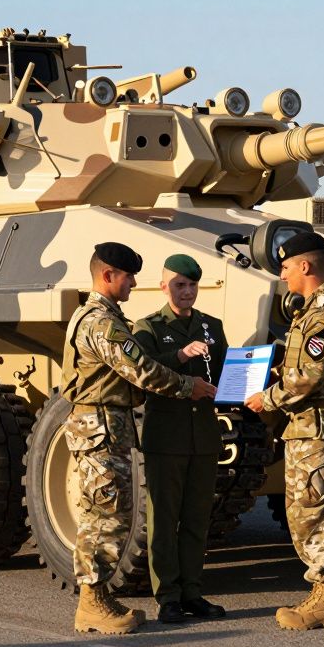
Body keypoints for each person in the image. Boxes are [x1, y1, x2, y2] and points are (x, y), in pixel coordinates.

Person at [63, 242, 217, 635]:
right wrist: (187, 385)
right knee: (104, 516)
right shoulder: (102, 323)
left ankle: (97, 598)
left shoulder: (106, 317)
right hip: (100, 426)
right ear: (108, 276)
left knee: (108, 513)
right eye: (128, 276)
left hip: (108, 425)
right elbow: (143, 371)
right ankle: (92, 602)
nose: (133, 283)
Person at [245, 232, 324, 631]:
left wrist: (268, 398)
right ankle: (321, 594)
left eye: (287, 267)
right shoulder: (312, 313)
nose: (283, 275)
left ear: (305, 267)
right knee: (306, 510)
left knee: (318, 510)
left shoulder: (323, 316)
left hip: (317, 427)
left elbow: (310, 376)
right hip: (309, 426)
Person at [131, 254, 229, 624]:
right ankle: (167, 596)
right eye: (179, 285)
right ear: (163, 286)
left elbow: (224, 371)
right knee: (164, 518)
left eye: (191, 285)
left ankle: (192, 592)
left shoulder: (211, 326)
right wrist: (180, 353)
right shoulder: (149, 327)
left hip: (203, 437)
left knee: (196, 519)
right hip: (166, 436)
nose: (186, 291)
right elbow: (142, 370)